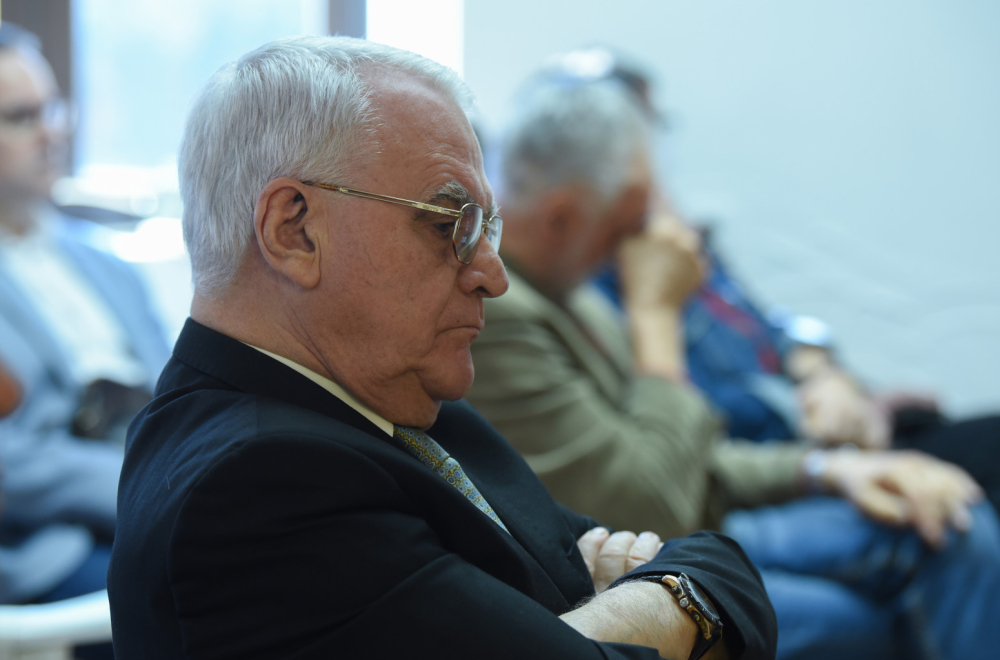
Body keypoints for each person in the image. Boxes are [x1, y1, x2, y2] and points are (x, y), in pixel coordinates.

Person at [106, 36, 776, 660]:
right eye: (450, 223)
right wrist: (653, 604)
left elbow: (719, 566)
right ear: (295, 230)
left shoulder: (396, 400)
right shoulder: (255, 482)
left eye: (487, 227)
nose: (494, 275)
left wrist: (626, 605)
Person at [464, 71, 1000, 660]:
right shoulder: (501, 315)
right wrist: (657, 318)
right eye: (628, 227)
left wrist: (829, 468)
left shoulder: (576, 296)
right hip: (655, 547)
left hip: (708, 523)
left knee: (951, 521)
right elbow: (648, 500)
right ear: (562, 218)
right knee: (866, 615)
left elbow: (695, 462)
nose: (641, 245)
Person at [0, 22, 170, 608]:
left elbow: (178, 395)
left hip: (167, 494)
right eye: (21, 117)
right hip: (50, 542)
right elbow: (9, 463)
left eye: (53, 109)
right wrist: (144, 488)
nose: (50, 132)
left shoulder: (110, 267)